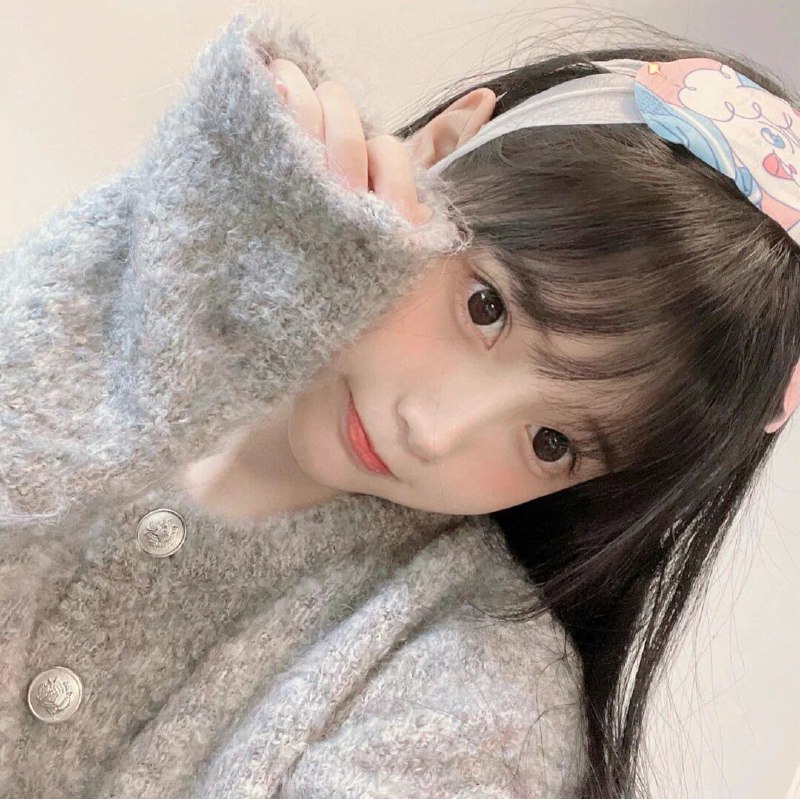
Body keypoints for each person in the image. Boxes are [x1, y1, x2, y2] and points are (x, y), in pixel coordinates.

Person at [1, 8, 798, 799]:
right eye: (486, 308)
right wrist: (159, 275)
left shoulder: (481, 697)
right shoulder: (93, 333)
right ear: (441, 148)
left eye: (551, 441)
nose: (435, 431)